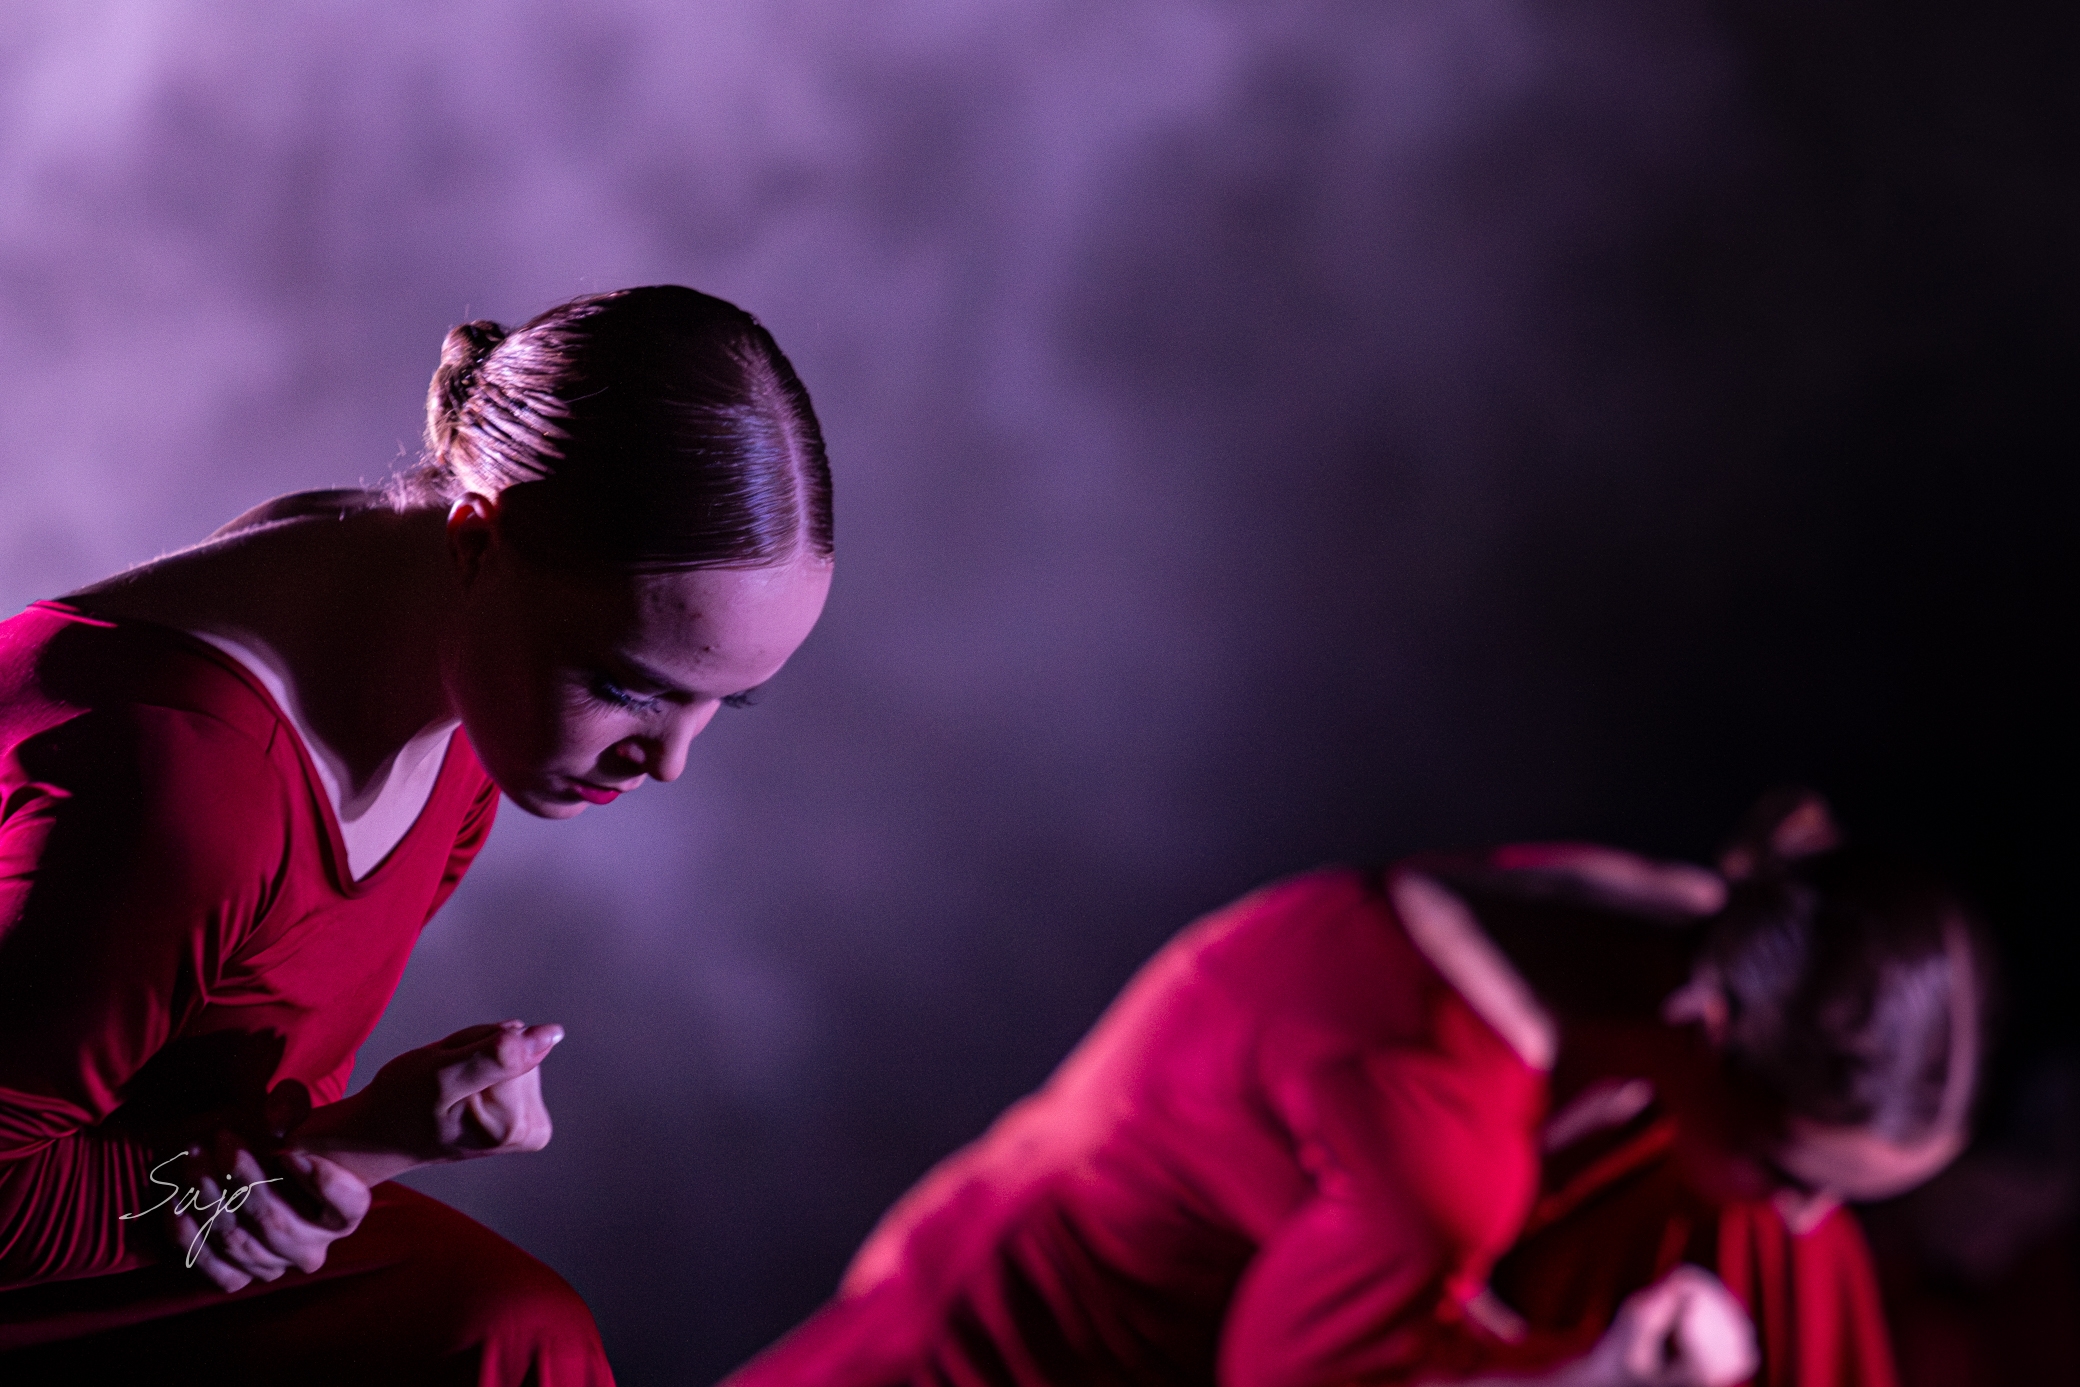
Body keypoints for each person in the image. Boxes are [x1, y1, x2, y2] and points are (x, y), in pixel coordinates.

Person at [0, 285, 835, 1384]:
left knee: (507, 1331)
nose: (669, 760)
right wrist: (338, 1150)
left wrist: (303, 1168)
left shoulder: (453, 688)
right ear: (477, 543)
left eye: (719, 701)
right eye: (629, 686)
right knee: (504, 1341)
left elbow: (214, 1137)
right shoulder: (189, 790)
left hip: (130, 1241)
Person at [721, 793, 1989, 1387]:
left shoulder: (1657, 922)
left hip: (957, 1249)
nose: (1803, 1219)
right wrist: (1600, 1380)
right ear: (1708, 1032)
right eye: (1789, 1173)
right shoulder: (1439, 1136)